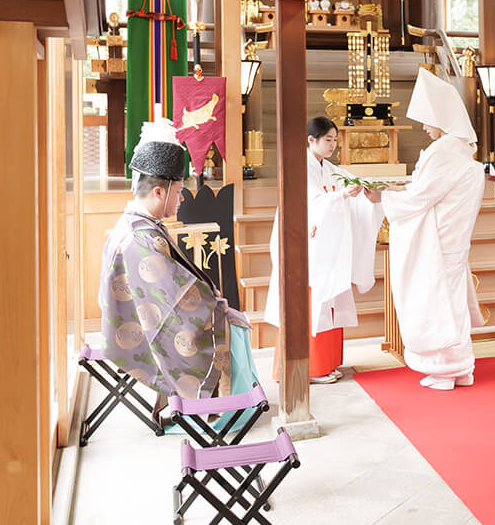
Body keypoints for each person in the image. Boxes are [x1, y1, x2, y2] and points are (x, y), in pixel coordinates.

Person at [99, 120, 253, 404]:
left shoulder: (136, 224)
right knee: (232, 326)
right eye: (180, 191)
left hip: (131, 320)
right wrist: (217, 306)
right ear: (159, 191)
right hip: (142, 330)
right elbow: (176, 300)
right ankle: (228, 405)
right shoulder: (141, 239)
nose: (182, 199)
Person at [381, 68, 486, 391]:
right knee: (450, 298)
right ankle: (461, 365)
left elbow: (422, 197)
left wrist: (384, 196)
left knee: (439, 300)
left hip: (439, 240)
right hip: (451, 239)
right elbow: (428, 189)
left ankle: (445, 369)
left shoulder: (445, 152)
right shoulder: (459, 149)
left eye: (427, 119)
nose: (424, 127)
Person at [265, 116, 386, 383]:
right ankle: (308, 368)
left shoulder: (329, 168)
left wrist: (367, 191)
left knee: (330, 300)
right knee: (312, 303)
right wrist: (341, 196)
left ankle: (326, 363)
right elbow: (309, 203)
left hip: (326, 246)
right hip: (306, 245)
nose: (333, 145)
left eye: (334, 140)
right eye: (327, 140)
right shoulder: (299, 166)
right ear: (312, 140)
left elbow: (349, 181)